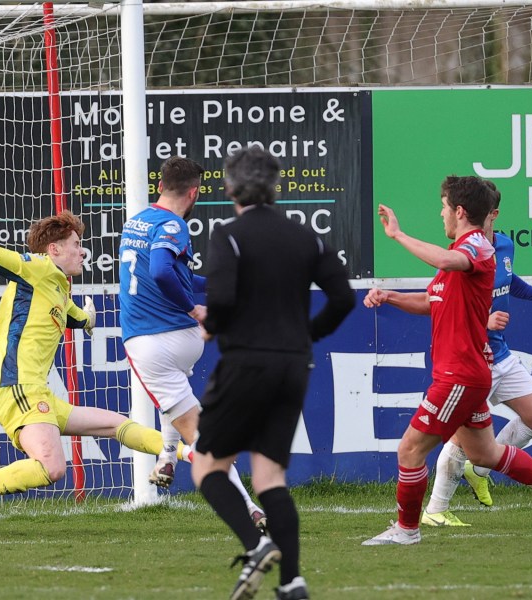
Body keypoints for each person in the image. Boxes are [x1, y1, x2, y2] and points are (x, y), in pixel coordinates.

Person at [0, 189, 177, 532]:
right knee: (51, 467)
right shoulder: (36, 268)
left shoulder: (56, 286)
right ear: (54, 250)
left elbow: (71, 316)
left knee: (114, 424)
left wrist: (87, 319)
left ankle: (181, 452)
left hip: (33, 391)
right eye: (74, 244)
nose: (82, 250)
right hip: (15, 385)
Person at [361, 175, 532, 546]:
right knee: (485, 452)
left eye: (443, 207)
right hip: (468, 372)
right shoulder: (462, 253)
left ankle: (407, 530)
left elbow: (448, 260)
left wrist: (398, 236)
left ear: (460, 211)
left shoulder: (477, 249)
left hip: (458, 375)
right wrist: (389, 296)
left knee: (410, 449)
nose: (441, 214)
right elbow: (431, 302)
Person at [192, 148, 355, 600]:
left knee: (207, 464)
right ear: (274, 186)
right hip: (292, 367)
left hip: (246, 364)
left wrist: (212, 325)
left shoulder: (229, 235)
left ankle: (257, 544)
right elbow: (342, 298)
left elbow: (221, 301)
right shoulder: (306, 236)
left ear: (228, 188)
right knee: (269, 478)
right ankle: (293, 582)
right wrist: (306, 334)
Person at [119, 156, 266, 530]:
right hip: (181, 342)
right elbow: (171, 274)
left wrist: (194, 306)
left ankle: (249, 508)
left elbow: (160, 271)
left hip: (152, 342)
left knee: (199, 436)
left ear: (160, 187)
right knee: (177, 404)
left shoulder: (138, 222)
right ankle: (167, 456)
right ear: (194, 192)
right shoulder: (175, 225)